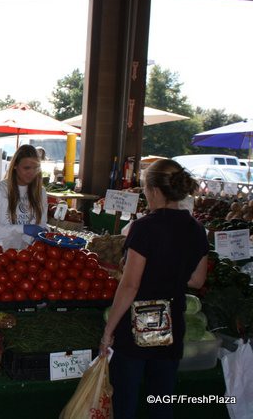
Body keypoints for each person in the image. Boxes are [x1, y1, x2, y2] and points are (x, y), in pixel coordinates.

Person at [99, 159, 209, 419]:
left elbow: (130, 285)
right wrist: (169, 272)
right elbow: (197, 280)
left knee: (125, 400)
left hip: (138, 324)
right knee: (161, 400)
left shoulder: (145, 227)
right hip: (172, 323)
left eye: (145, 189)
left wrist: (108, 331)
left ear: (155, 191)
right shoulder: (196, 229)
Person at [0, 144, 48, 250]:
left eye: (35, 168)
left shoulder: (41, 192)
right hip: (1, 252)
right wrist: (23, 228)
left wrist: (44, 232)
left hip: (30, 253)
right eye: (26, 168)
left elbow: (42, 223)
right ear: (15, 166)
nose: (32, 172)